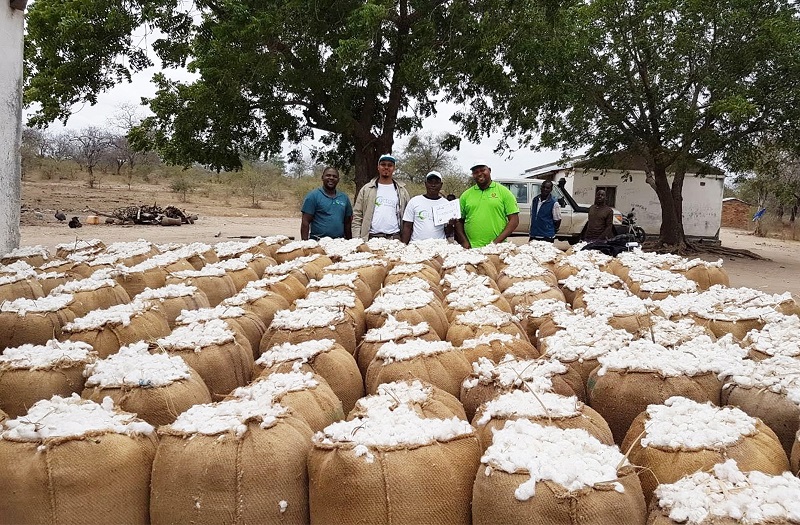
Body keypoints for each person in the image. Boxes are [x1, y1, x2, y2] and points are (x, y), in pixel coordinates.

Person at [455, 161, 519, 248]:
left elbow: (514, 220)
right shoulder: (466, 195)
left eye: (482, 170)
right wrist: (465, 242)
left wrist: (495, 243)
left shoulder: (504, 192)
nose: (479, 174)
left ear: (489, 170)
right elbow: (459, 221)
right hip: (472, 249)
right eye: (476, 172)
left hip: (497, 248)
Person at [352, 154, 411, 241]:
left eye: (390, 165)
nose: (386, 167)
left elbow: (408, 219)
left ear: (394, 168)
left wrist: (405, 241)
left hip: (395, 238)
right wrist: (356, 240)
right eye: (383, 164)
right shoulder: (367, 189)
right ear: (378, 167)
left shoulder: (402, 191)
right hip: (371, 238)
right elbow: (357, 216)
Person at [300, 166, 353, 240]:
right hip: (318, 242)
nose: (331, 178)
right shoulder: (313, 196)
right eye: (328, 175)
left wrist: (349, 242)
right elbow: (305, 222)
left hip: (339, 243)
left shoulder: (344, 198)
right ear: (322, 178)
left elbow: (347, 223)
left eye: (335, 176)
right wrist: (305, 244)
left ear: (338, 180)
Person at [400, 171, 454, 243]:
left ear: (441, 185)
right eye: (430, 182)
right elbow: (407, 226)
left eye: (436, 182)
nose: (433, 185)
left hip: (439, 246)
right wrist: (404, 246)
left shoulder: (446, 204)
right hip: (417, 245)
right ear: (425, 184)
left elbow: (448, 231)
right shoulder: (414, 201)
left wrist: (451, 224)